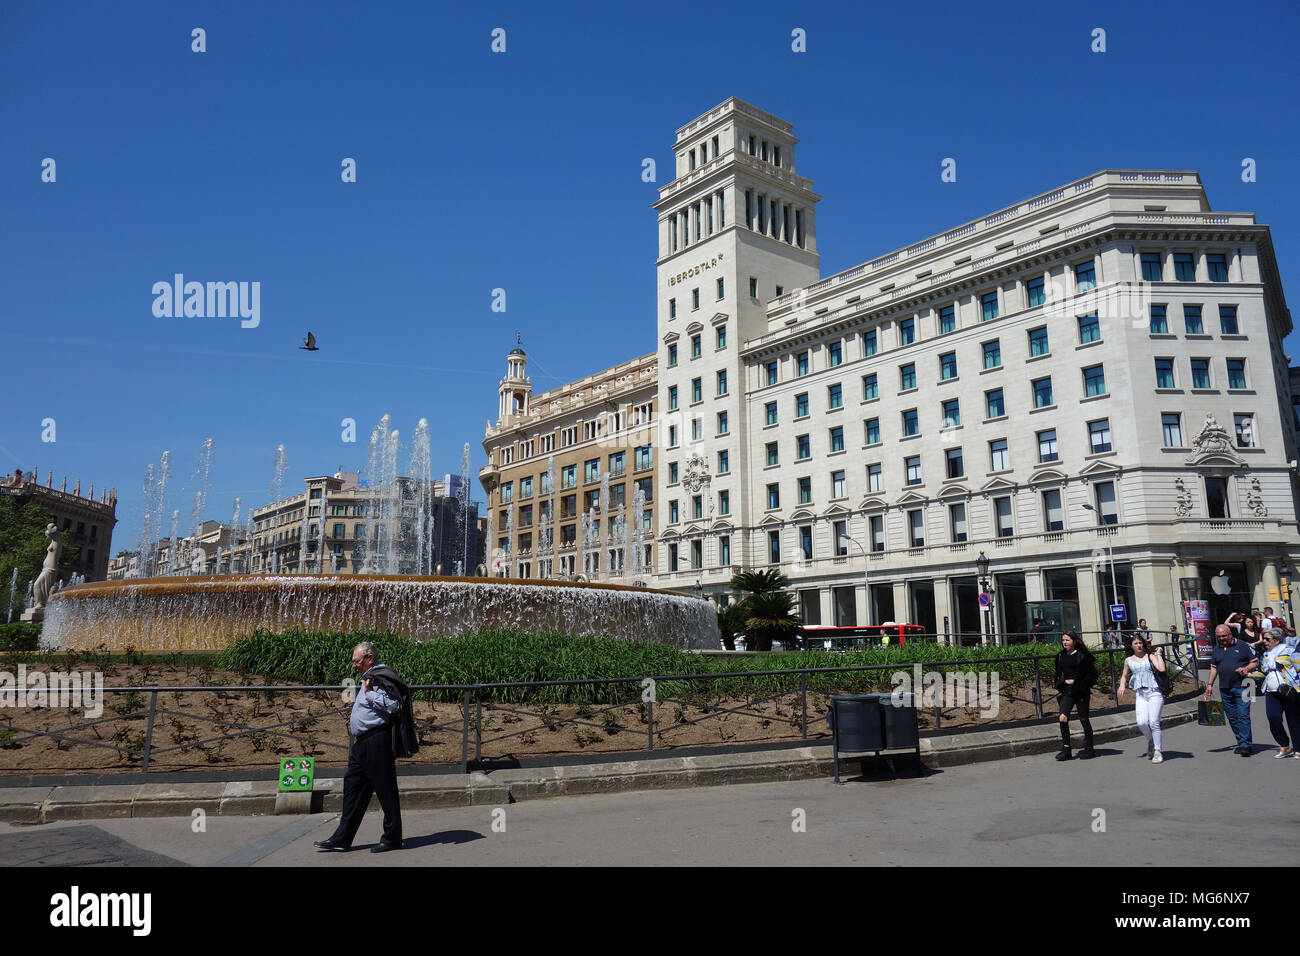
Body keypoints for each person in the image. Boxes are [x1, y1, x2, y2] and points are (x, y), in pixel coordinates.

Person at [314, 642, 404, 852]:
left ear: (369, 658)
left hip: (377, 741)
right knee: (353, 788)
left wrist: (369, 692)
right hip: (362, 743)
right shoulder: (368, 677)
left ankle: (392, 839)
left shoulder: (382, 676)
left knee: (386, 791)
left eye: (357, 661)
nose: (354, 665)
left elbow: (393, 705)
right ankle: (341, 839)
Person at [1205, 624, 1259, 756]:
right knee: (1232, 717)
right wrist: (1210, 684)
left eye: (1224, 636)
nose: (1222, 639)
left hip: (1246, 685)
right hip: (1225, 687)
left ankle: (1246, 745)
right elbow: (1214, 667)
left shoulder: (1242, 645)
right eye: (1219, 637)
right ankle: (1241, 742)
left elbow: (1255, 662)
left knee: (1243, 715)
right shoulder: (1217, 648)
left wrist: (1246, 669)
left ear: (1230, 634)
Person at [1119, 632, 1167, 763]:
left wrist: (1158, 654)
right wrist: (1122, 685)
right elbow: (1124, 675)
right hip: (1140, 694)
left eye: (1140, 643)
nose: (1139, 645)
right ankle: (1151, 740)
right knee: (1141, 722)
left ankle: (1158, 751)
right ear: (1131, 646)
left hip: (1154, 692)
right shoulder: (1128, 660)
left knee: (1154, 722)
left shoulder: (1150, 656)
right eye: (1136, 643)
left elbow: (1161, 669)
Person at [1053, 630, 1098, 760]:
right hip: (1067, 691)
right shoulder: (1060, 656)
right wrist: (1060, 683)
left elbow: (1092, 675)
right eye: (1063, 640)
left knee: (1084, 719)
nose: (1064, 642)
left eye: (1067, 640)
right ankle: (1066, 749)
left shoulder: (1083, 656)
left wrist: (1079, 684)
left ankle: (1089, 748)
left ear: (1074, 641)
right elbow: (1057, 674)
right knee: (1062, 717)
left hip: (1080, 691)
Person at [1256, 628, 1300, 758]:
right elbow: (1264, 672)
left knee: (1294, 721)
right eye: (1264, 638)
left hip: (1289, 691)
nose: (1264, 641)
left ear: (1277, 640)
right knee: (1273, 718)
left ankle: (1298, 748)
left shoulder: (1290, 651)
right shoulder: (1266, 654)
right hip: (1271, 691)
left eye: (1267, 639)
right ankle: (1285, 745)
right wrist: (1249, 674)